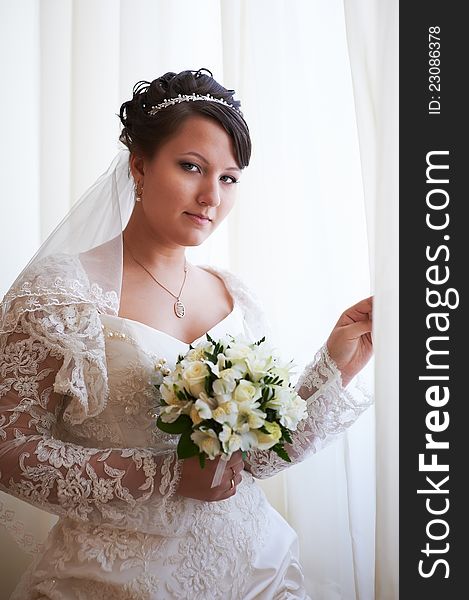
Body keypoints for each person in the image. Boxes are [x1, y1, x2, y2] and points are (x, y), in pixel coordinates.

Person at [0, 68, 373, 599]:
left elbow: (257, 459)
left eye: (229, 178)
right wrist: (167, 475)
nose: (210, 197)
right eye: (191, 167)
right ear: (139, 165)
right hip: (112, 580)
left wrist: (336, 364)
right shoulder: (60, 293)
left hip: (259, 570)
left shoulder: (232, 295)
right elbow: (9, 450)